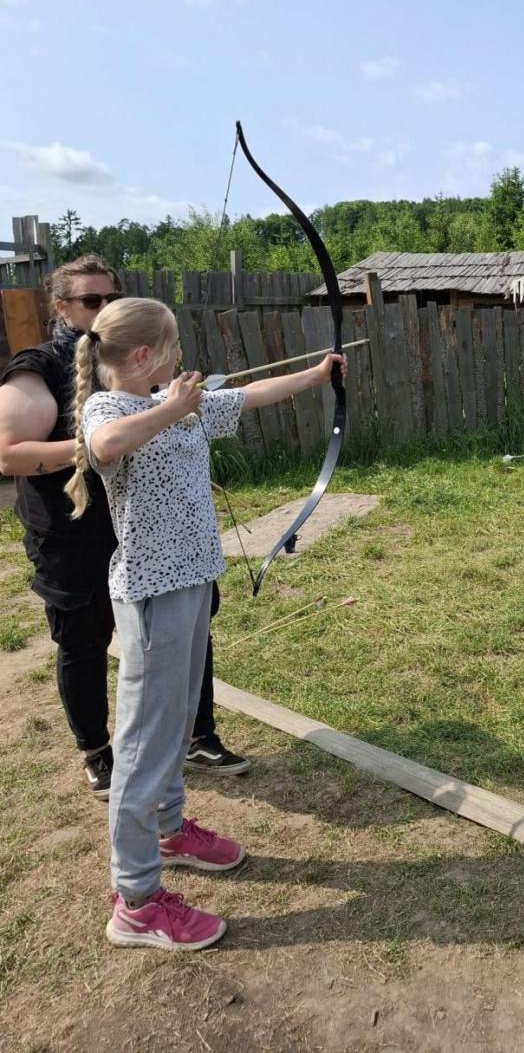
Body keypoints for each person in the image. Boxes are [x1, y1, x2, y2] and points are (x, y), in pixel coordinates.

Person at [67, 295, 346, 949]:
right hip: (152, 594)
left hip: (192, 583)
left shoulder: (177, 403)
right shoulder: (111, 408)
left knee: (176, 719)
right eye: (172, 347)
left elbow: (250, 395)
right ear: (144, 355)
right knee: (144, 744)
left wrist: (317, 375)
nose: (181, 358)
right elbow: (103, 446)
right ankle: (136, 901)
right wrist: (172, 408)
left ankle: (169, 831)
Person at [0, 255, 249, 799]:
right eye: (91, 300)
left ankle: (196, 735)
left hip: (144, 521)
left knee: (186, 626)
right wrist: (103, 443)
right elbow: (9, 454)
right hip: (71, 530)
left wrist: (155, 419)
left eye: (112, 297)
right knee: (84, 639)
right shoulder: (38, 367)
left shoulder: (134, 354)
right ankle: (97, 751)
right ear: (61, 307)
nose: (104, 307)